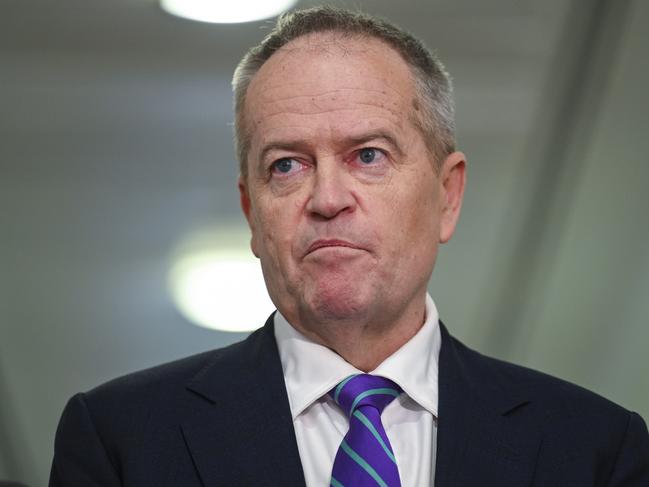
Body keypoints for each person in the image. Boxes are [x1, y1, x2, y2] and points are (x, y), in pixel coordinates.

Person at [49, 6, 649, 486]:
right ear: (252, 215)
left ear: (447, 194)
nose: (327, 198)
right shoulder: (119, 440)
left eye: (368, 155)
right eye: (287, 165)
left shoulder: (596, 449)